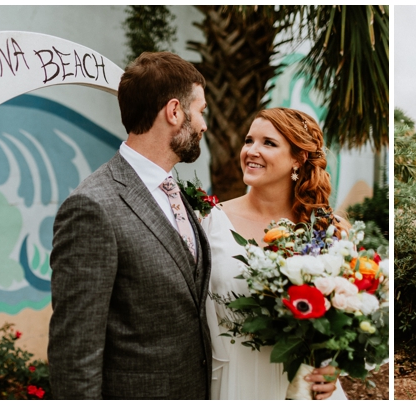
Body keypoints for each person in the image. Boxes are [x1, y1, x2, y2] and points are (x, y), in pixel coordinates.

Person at [48, 52, 213, 399]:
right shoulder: (93, 206)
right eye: (200, 111)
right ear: (174, 112)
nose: (203, 125)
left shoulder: (174, 191)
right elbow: (75, 350)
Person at [200, 107, 347, 400]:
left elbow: (352, 314)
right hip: (234, 381)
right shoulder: (210, 221)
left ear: (299, 158)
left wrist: (336, 366)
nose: (252, 151)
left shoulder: (330, 230)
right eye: (248, 140)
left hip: (306, 388)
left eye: (268, 143)